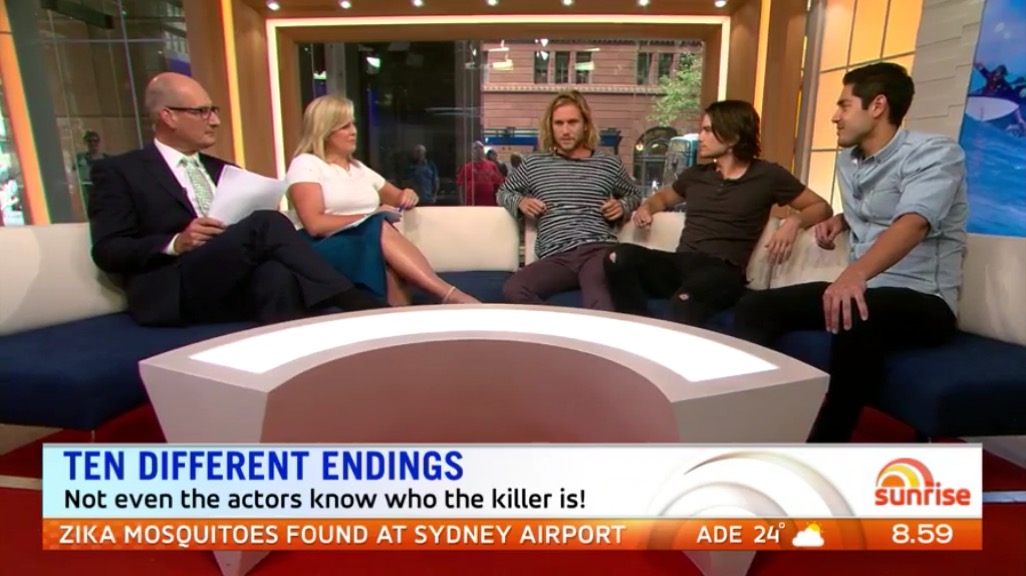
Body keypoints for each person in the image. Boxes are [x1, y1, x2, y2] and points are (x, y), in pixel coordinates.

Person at [731, 62, 969, 443]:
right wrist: (842, 219)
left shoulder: (935, 153)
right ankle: (754, 419)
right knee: (756, 307)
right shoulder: (848, 161)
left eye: (844, 105)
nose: (834, 116)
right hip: (868, 290)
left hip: (925, 299)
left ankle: (827, 445)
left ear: (877, 106)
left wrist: (854, 274)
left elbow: (913, 222)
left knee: (855, 311)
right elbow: (879, 209)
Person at [87, 73, 385, 327]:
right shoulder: (119, 171)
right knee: (267, 222)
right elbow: (108, 250)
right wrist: (176, 242)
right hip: (174, 285)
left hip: (231, 279)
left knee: (277, 275)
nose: (215, 121)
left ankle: (297, 360)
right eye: (202, 112)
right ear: (168, 116)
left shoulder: (224, 170)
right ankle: (353, 300)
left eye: (214, 111)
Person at [604, 100, 832, 326]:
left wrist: (794, 222)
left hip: (722, 271)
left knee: (685, 301)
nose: (700, 137)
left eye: (707, 130)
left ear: (732, 137)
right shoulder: (696, 175)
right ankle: (637, 331)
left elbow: (821, 206)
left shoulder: (768, 176)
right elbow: (663, 198)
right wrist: (647, 207)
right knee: (617, 257)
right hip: (681, 263)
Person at [286, 94, 479, 306]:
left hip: (366, 244)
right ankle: (449, 294)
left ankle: (406, 320)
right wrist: (368, 217)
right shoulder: (306, 164)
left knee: (389, 265)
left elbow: (397, 196)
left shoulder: (359, 169)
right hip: (321, 247)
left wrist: (408, 194)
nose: (353, 131)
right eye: (344, 126)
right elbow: (315, 224)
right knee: (378, 225)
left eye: (353, 124)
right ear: (325, 131)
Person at [497, 90, 642, 310]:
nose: (565, 131)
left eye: (572, 122)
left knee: (599, 301)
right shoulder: (534, 164)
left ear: (585, 125)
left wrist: (622, 206)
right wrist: (521, 202)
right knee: (514, 289)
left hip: (596, 248)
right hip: (556, 255)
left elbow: (634, 194)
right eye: (559, 123)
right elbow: (503, 192)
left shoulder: (608, 163)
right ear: (550, 127)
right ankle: (563, 327)